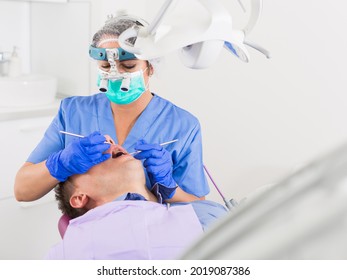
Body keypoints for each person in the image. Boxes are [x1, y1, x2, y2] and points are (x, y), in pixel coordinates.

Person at [14, 14, 209, 203]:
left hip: (150, 231)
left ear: (151, 67)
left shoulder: (182, 125)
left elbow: (199, 206)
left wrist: (169, 188)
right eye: (106, 66)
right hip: (90, 229)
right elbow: (22, 191)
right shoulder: (73, 112)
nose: (116, 75)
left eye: (129, 65)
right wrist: (61, 164)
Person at [46, 140, 227, 260]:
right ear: (79, 198)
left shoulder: (202, 215)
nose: (110, 144)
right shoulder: (64, 254)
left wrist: (166, 192)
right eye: (90, 158)